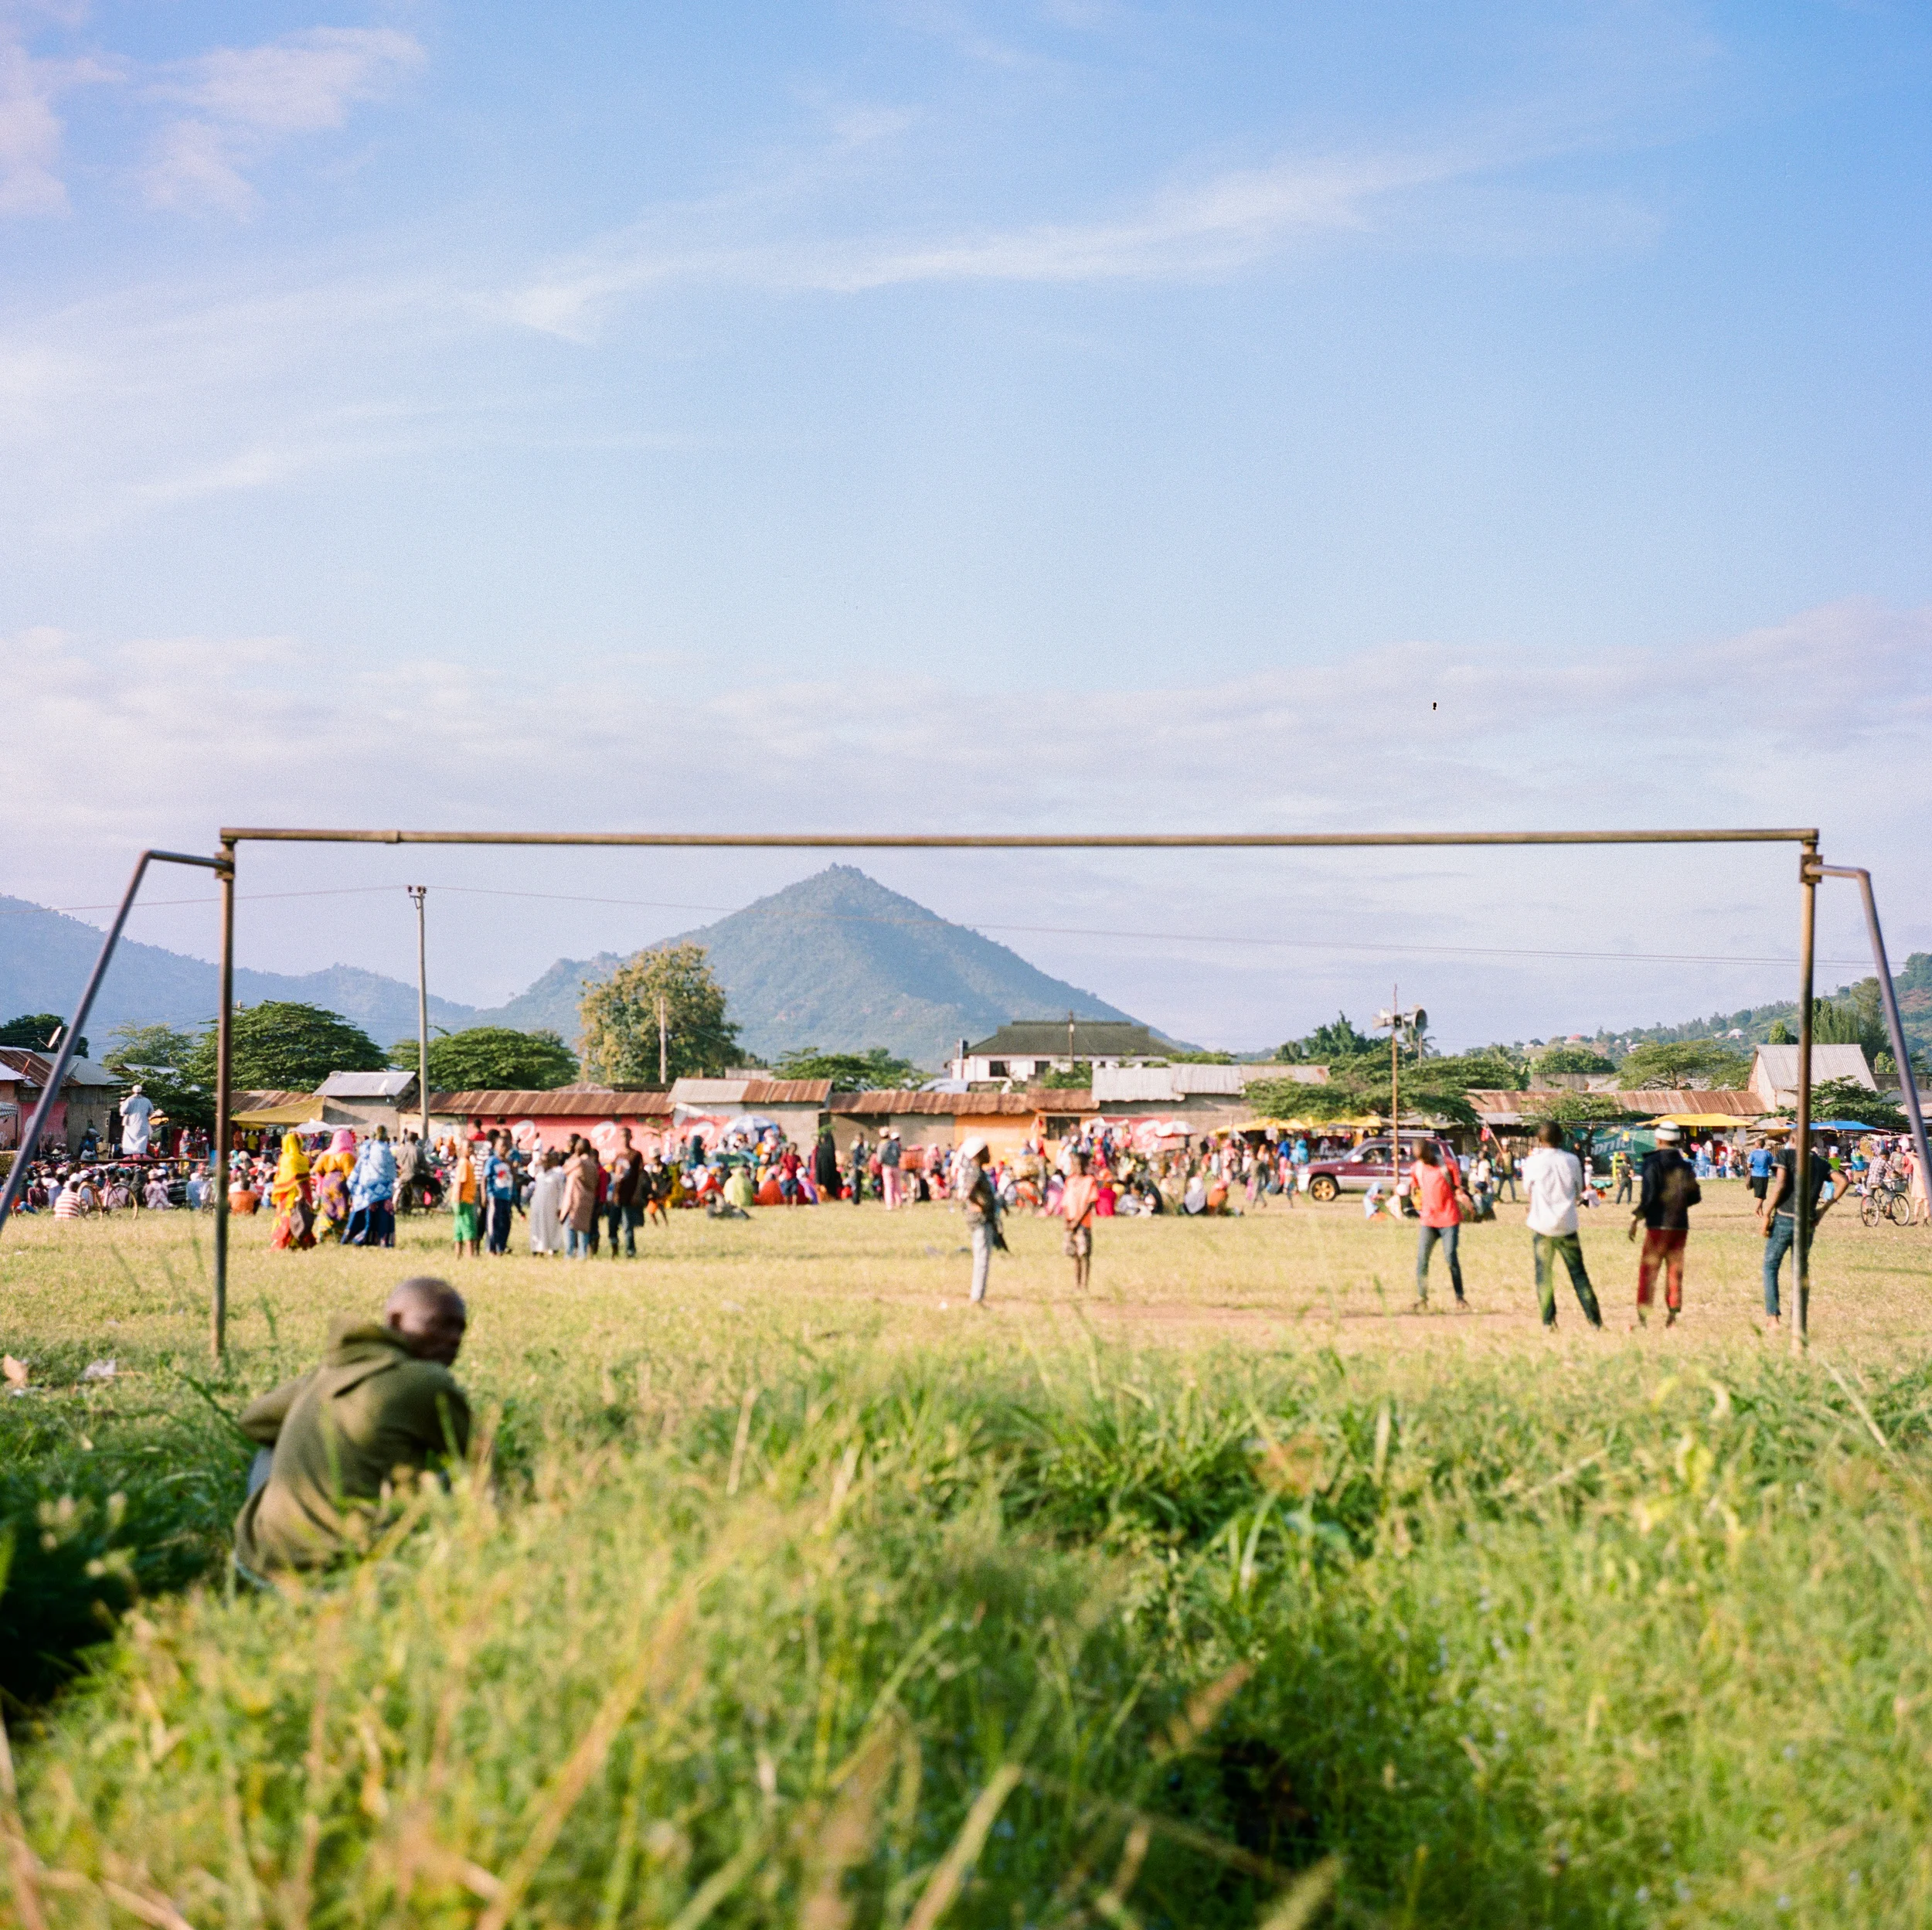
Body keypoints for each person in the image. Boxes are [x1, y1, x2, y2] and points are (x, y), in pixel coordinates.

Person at [233, 1278, 470, 1578]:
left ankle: (282, 1533)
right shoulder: (427, 1381)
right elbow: (481, 1462)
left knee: (270, 1449)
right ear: (394, 1320)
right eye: (439, 1324)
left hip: (259, 1564)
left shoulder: (334, 1369)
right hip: (349, 1573)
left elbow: (253, 1420)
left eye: (460, 1329)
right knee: (459, 1478)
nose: (453, 1339)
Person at [1759, 1138, 1851, 1327]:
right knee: (1800, 1270)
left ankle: (1773, 1318)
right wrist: (1824, 1209)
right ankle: (1798, 1318)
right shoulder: (1821, 1163)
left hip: (1785, 1217)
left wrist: (1767, 1213)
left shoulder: (1786, 1155)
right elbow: (1843, 1181)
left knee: (1771, 1265)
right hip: (1808, 1221)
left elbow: (1781, 1184)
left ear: (1792, 1139)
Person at [1521, 1121, 1603, 1330]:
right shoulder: (1571, 1160)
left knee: (1544, 1275)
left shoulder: (1533, 1162)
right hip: (1567, 1224)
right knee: (1578, 1274)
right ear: (1561, 1139)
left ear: (1540, 1139)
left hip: (1542, 1226)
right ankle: (1595, 1322)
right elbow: (1578, 1192)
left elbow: (1527, 1190)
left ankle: (1548, 1322)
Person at [1629, 1123, 1700, 1328]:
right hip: (1680, 1226)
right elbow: (1695, 1196)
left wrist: (1636, 1218)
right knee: (1674, 1270)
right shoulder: (1685, 1165)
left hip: (1658, 1226)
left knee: (1649, 1271)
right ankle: (1673, 1315)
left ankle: (1643, 1318)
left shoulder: (1652, 1162)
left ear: (1658, 1140)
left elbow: (1649, 1197)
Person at [1412, 1141, 1469, 1311]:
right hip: (1428, 1221)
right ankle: (1422, 1298)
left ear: (1431, 1150)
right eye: (1420, 1159)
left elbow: (1458, 1188)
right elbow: (1416, 1190)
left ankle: (1460, 1298)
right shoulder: (1417, 1168)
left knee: (1450, 1257)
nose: (1424, 1161)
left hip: (1449, 1219)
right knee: (1422, 1259)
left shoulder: (1448, 1165)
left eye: (1426, 1156)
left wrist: (1464, 1199)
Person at [959, 1137, 1005, 1305]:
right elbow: (969, 1193)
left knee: (982, 1256)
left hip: (981, 1219)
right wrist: (981, 1205)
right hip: (980, 1219)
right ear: (978, 1154)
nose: (989, 1154)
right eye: (986, 1151)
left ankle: (977, 1296)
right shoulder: (976, 1171)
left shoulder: (975, 1170)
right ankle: (977, 1298)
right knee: (982, 1258)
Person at [348, 1128, 398, 1248]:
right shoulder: (386, 1149)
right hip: (384, 1189)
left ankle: (360, 1238)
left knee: (368, 1214)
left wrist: (353, 1183)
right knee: (383, 1215)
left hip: (367, 1188)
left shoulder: (366, 1149)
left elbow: (360, 1167)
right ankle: (383, 1240)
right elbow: (392, 1172)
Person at [268, 1132, 315, 1250]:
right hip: (305, 1190)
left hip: (290, 1193)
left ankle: (285, 1241)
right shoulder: (303, 1159)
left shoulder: (286, 1159)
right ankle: (300, 1241)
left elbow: (294, 1177)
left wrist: (300, 1193)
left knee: (288, 1216)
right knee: (300, 1215)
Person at [1060, 1149, 1098, 1292]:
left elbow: (1090, 1203)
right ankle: (1077, 1285)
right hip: (1071, 1222)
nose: (1079, 1169)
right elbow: (1065, 1202)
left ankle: (1085, 1285)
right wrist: (1066, 1221)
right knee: (1075, 1255)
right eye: (1076, 1165)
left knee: (1085, 1253)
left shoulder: (1090, 1181)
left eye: (1082, 1165)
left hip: (1083, 1223)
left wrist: (1078, 1220)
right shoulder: (1070, 1181)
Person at [313, 1129, 356, 1243]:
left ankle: (323, 1234)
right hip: (341, 1185)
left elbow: (318, 1171)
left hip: (327, 1184)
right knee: (342, 1209)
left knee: (327, 1209)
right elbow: (351, 1174)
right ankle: (341, 1235)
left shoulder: (325, 1155)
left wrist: (320, 1187)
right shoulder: (347, 1155)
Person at [606, 1128, 644, 1256]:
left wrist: (637, 1194)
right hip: (617, 1195)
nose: (625, 1138)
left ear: (631, 1137)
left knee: (628, 1225)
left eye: (627, 1136)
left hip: (629, 1195)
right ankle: (614, 1248)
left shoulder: (636, 1155)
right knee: (612, 1224)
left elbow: (639, 1176)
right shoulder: (618, 1156)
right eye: (622, 1136)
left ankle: (630, 1250)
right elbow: (613, 1176)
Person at [563, 1139, 599, 1258]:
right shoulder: (593, 1164)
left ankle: (569, 1253)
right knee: (584, 1228)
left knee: (570, 1226)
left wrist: (574, 1156)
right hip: (587, 1199)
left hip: (574, 1199)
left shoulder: (578, 1162)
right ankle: (583, 1254)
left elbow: (565, 1169)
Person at [527, 1149, 566, 1254]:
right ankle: (537, 1249)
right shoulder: (539, 1175)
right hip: (538, 1206)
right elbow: (530, 1168)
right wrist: (537, 1161)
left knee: (551, 1227)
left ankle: (553, 1248)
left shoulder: (557, 1175)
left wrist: (560, 1207)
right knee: (537, 1227)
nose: (544, 1163)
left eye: (546, 1161)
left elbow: (561, 1192)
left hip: (551, 1206)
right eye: (542, 1161)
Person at [451, 1138, 481, 1258]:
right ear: (461, 1149)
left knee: (459, 1226)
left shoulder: (467, 1163)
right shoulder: (464, 1163)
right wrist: (458, 1201)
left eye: (472, 1147)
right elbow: (460, 1184)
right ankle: (471, 1255)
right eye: (468, 1147)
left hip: (461, 1200)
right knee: (469, 1228)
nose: (471, 1149)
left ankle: (458, 1255)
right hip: (464, 1200)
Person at [119, 1084, 155, 1159]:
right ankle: (141, 1155)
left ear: (133, 1091)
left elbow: (122, 1111)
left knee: (129, 1138)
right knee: (142, 1138)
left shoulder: (129, 1100)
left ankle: (130, 1155)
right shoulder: (146, 1100)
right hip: (143, 1122)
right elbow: (151, 1111)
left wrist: (127, 1113)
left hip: (130, 1123)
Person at [879, 1128, 903, 1209]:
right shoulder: (894, 1144)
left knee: (888, 1186)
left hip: (886, 1167)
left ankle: (890, 1205)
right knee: (897, 1185)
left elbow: (879, 1159)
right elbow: (899, 1155)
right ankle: (899, 1202)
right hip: (896, 1167)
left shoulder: (881, 1145)